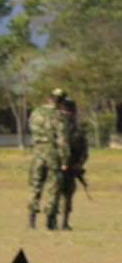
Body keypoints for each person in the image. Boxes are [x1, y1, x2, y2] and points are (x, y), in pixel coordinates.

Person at [26, 89, 67, 230]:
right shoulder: (60, 116)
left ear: (49, 98)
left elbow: (32, 130)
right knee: (52, 188)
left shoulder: (35, 113)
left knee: (35, 186)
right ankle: (50, 221)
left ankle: (31, 221)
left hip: (37, 152)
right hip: (53, 154)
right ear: (61, 101)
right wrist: (65, 161)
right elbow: (62, 140)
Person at [49, 96, 88, 231]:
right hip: (55, 165)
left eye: (68, 112)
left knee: (68, 194)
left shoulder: (78, 129)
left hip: (71, 166)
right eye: (63, 111)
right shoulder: (54, 127)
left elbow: (84, 148)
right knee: (54, 193)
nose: (65, 114)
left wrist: (80, 163)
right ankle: (51, 222)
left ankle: (65, 222)